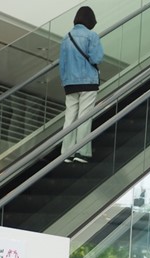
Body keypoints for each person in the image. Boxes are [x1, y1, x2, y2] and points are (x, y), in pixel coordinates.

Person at [59, 7, 103, 163]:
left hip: (70, 84)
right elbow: (96, 58)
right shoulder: (91, 36)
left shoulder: (66, 37)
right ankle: (81, 152)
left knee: (70, 117)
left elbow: (62, 64)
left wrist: (66, 82)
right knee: (84, 117)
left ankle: (66, 153)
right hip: (87, 82)